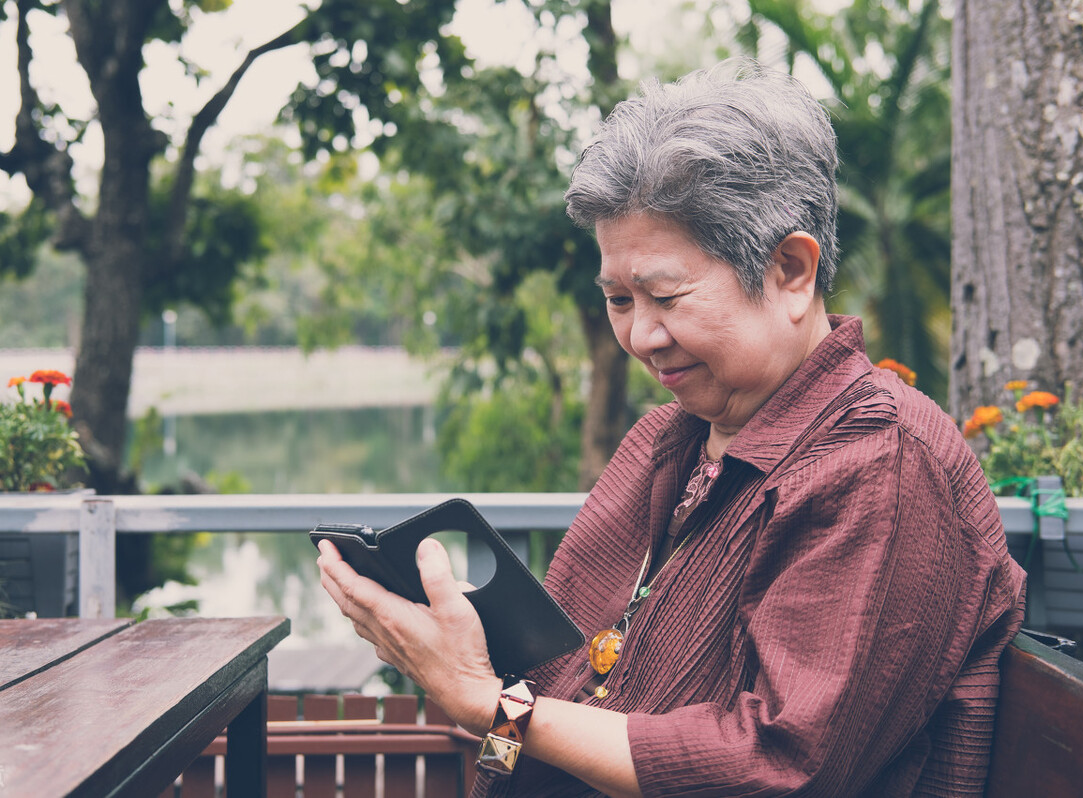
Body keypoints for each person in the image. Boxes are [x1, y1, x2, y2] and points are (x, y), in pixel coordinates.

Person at [317, 59, 1026, 797]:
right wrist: (491, 749)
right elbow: (545, 697)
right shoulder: (664, 443)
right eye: (618, 299)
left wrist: (483, 702)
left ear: (790, 270)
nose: (642, 337)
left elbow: (781, 768)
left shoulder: (878, 462)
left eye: (664, 295)